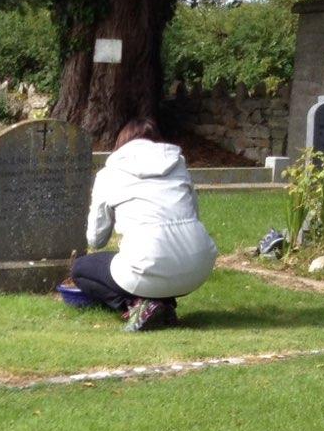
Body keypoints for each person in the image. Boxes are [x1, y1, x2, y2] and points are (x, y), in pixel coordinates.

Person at [70, 119, 218, 332]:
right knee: (151, 259)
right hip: (197, 266)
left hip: (149, 263)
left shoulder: (108, 174)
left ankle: (136, 305)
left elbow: (96, 240)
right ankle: (163, 304)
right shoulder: (179, 166)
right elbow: (194, 214)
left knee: (81, 269)